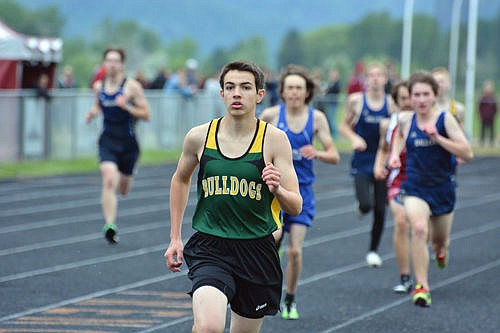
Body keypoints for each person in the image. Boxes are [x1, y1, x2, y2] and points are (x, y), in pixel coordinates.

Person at [164, 61, 302, 333]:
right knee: (209, 327)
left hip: (256, 249)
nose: (237, 93)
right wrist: (175, 237)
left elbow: (296, 205)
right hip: (211, 246)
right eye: (230, 87)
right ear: (222, 94)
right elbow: (180, 179)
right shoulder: (199, 137)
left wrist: (278, 190)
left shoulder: (274, 140)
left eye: (245, 87)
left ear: (259, 94)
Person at [259, 64, 340, 320]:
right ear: (282, 91)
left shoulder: (316, 119)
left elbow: (334, 154)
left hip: (302, 192)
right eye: (290, 88)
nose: (294, 93)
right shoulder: (271, 115)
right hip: (273, 190)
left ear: (307, 92)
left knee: (295, 251)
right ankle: (264, 288)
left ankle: (290, 299)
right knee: (272, 239)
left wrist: (318, 152)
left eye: (299, 88)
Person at [389, 71, 473, 307]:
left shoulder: (445, 120)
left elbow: (467, 152)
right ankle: (422, 286)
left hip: (442, 189)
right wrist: (395, 155)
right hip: (415, 188)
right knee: (417, 228)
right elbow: (398, 137)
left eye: (426, 94)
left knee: (439, 242)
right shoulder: (406, 119)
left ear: (435, 96)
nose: (421, 99)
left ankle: (440, 251)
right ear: (411, 97)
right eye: (417, 95)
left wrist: (439, 139)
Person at [85, 47, 150, 244]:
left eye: (116, 61)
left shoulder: (131, 87)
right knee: (109, 179)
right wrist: (93, 112)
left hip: (128, 144)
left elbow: (147, 114)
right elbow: (99, 103)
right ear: (104, 63)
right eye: (109, 60)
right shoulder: (99, 86)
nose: (112, 64)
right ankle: (110, 225)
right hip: (108, 141)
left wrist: (127, 106)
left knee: (123, 189)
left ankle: (127, 175)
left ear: (122, 64)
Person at [339, 61, 396, 267]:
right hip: (362, 159)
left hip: (383, 159)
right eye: (371, 75)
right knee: (366, 204)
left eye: (379, 75)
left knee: (381, 209)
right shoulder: (356, 101)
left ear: (385, 79)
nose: (374, 79)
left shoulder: (391, 103)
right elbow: (343, 125)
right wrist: (354, 138)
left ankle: (373, 250)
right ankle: (362, 208)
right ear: (366, 79)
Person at [374, 80, 413, 293]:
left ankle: (438, 245)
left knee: (425, 232)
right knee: (401, 222)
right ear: (396, 100)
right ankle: (405, 276)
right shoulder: (387, 124)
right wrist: (379, 165)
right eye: (403, 98)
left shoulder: (425, 121)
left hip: (423, 181)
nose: (408, 102)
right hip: (398, 180)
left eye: (411, 97)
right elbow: (383, 148)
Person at [478, 80, 497, 146]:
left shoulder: (493, 97)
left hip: (491, 117)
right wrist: (480, 115)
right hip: (484, 116)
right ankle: (482, 141)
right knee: (483, 129)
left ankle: (492, 141)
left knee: (492, 129)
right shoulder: (482, 97)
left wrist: (494, 114)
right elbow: (479, 107)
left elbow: (495, 107)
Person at [323, 68, 342, 138]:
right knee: (331, 120)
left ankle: (336, 136)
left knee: (333, 120)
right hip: (330, 103)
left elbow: (335, 91)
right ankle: (333, 135)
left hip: (333, 104)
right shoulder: (331, 83)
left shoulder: (337, 83)